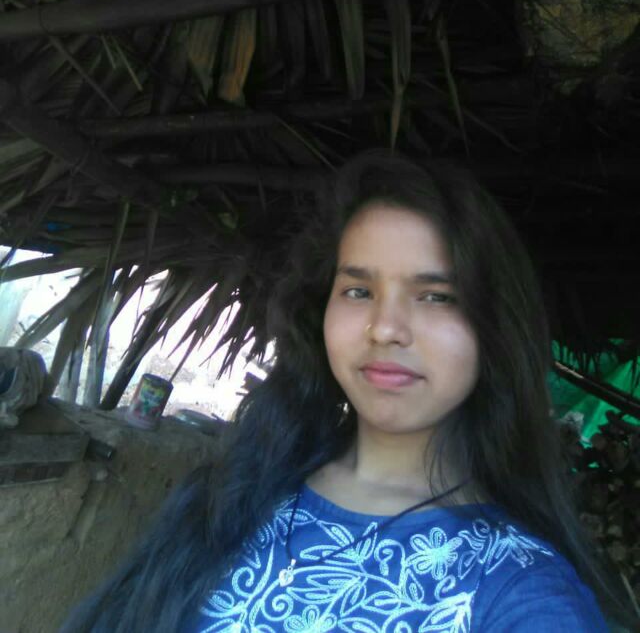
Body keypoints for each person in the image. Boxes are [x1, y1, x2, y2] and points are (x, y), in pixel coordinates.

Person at [62, 150, 636, 633]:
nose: (385, 328)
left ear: (494, 329)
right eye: (358, 291)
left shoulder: (524, 595)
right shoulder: (240, 491)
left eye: (436, 296)